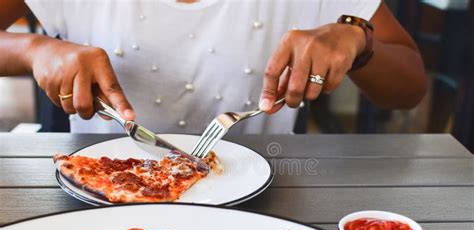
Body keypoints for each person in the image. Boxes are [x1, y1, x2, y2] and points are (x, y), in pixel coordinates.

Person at [0, 0, 426, 134]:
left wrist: (357, 40)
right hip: (102, 204)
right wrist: (35, 51)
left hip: (266, 206)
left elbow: (410, 88)